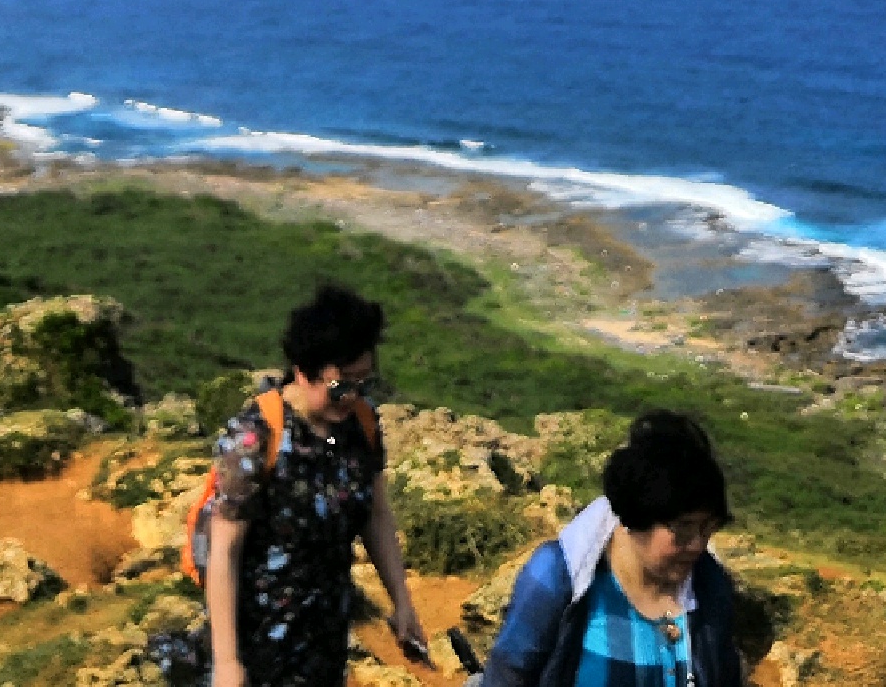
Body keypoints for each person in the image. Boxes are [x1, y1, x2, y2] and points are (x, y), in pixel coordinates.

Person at [199, 282, 430, 687]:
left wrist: (402, 601)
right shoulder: (255, 438)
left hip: (326, 636)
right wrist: (228, 663)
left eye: (364, 382)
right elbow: (224, 551)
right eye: (342, 386)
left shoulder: (362, 424)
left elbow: (375, 516)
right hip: (258, 639)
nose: (353, 396)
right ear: (304, 373)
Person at [482, 412, 742, 687]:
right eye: (683, 529)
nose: (697, 545)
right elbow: (508, 675)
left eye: (707, 528)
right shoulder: (558, 577)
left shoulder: (710, 589)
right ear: (635, 516)